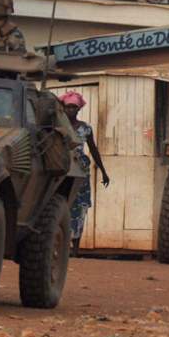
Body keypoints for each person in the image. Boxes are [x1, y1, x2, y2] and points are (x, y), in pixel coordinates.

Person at [58, 91, 110, 257]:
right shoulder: (58, 127)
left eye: (74, 107)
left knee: (79, 208)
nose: (71, 110)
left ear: (79, 109)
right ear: (63, 108)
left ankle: (75, 248)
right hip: (61, 169)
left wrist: (103, 171)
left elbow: (93, 150)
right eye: (68, 107)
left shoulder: (85, 128)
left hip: (80, 172)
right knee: (60, 205)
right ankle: (60, 244)